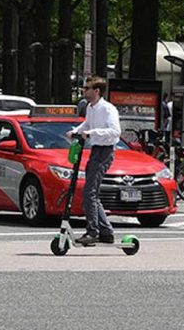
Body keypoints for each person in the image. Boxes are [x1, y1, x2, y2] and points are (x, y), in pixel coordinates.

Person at [66, 76, 121, 245]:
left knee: (89, 193)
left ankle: (92, 232)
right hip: (96, 150)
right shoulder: (90, 107)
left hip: (105, 151)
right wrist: (75, 131)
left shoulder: (108, 109)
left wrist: (92, 133)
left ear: (96, 91)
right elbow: (87, 124)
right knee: (92, 194)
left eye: (87, 88)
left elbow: (115, 131)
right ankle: (106, 232)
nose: (84, 91)